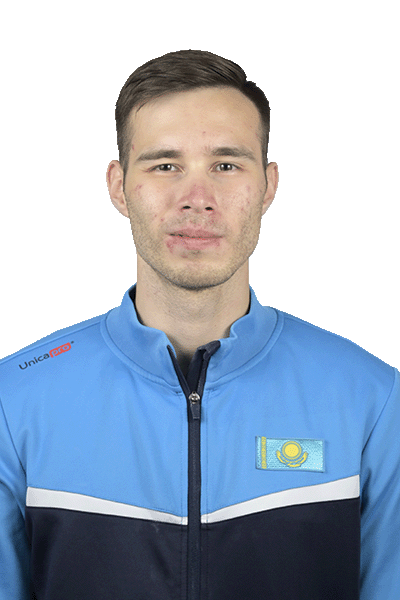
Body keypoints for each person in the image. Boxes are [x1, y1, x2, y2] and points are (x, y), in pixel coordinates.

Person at [0, 49, 399, 600]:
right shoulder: (14, 400)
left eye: (226, 165)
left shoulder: (372, 400)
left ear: (268, 185)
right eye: (165, 165)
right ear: (118, 186)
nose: (197, 200)